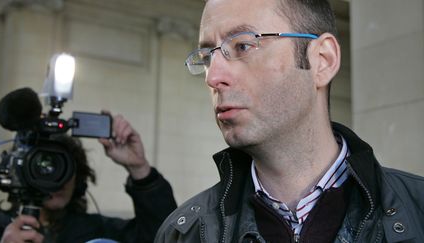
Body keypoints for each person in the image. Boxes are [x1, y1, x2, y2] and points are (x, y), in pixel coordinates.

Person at [155, 0, 424, 242]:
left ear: (322, 61)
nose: (212, 78)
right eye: (207, 56)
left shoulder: (418, 211)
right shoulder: (182, 233)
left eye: (243, 45)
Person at [0, 114, 177, 243]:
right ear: (22, 173)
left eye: (64, 168)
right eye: (45, 169)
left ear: (78, 178)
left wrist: (139, 168)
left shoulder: (99, 231)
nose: (58, 181)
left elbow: (165, 236)